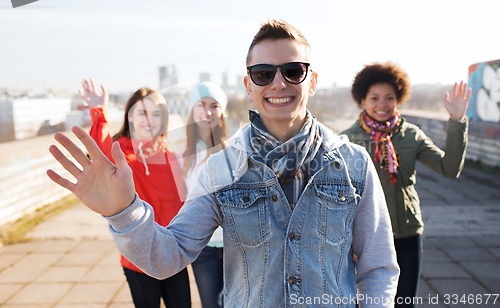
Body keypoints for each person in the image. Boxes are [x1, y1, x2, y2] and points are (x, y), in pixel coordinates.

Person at [47, 19, 400, 308]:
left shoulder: (353, 164)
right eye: (263, 73)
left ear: (313, 82)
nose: (279, 82)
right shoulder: (220, 169)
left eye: (293, 70)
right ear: (248, 85)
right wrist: (123, 211)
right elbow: (168, 256)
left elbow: (378, 266)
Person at [341, 62, 471, 307]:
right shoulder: (348, 140)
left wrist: (456, 120)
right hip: (364, 237)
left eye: (389, 98)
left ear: (398, 99)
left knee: (405, 302)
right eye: (375, 98)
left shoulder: (411, 135)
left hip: (407, 232)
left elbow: (450, 168)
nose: (382, 104)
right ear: (362, 100)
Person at [79, 80, 191, 308]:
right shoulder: (120, 152)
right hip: (139, 258)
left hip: (173, 253)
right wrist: (98, 111)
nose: (149, 120)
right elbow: (101, 153)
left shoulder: (171, 153)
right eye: (142, 113)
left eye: (156, 114)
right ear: (130, 117)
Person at [182, 82, 227, 308]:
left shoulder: (233, 152)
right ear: (192, 110)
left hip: (233, 246)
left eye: (214, 105)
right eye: (201, 105)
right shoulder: (182, 157)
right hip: (203, 249)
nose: (208, 112)